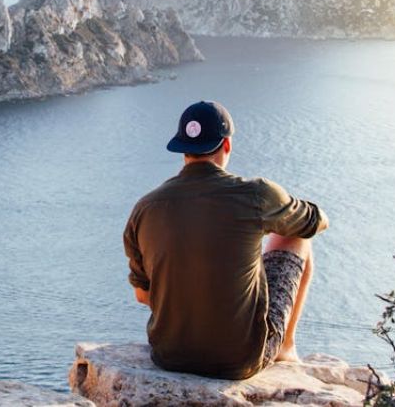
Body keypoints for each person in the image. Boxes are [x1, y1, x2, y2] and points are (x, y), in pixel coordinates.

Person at [123, 100, 328, 380]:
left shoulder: (145, 208)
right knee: (297, 237)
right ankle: (285, 347)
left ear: (183, 149)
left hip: (169, 355)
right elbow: (315, 222)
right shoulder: (256, 195)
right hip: (239, 360)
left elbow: (143, 295)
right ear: (226, 145)